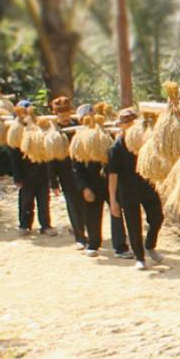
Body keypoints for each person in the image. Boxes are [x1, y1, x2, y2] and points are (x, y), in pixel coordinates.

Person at [106, 108, 165, 271]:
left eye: (132, 122)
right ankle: (140, 257)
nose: (129, 126)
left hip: (147, 186)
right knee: (133, 225)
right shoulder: (116, 148)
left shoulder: (144, 143)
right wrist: (113, 200)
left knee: (157, 217)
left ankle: (150, 245)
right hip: (127, 191)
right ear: (121, 126)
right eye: (125, 123)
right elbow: (112, 175)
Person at [49, 97, 88, 250]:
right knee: (73, 205)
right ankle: (80, 237)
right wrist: (53, 182)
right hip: (65, 174)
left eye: (66, 112)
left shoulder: (78, 128)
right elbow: (50, 160)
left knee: (85, 204)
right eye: (60, 113)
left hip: (82, 172)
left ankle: (84, 230)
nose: (64, 116)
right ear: (56, 114)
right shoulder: (54, 133)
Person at [11, 102, 54, 236]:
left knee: (43, 200)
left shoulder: (39, 129)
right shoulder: (16, 132)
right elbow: (15, 158)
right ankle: (24, 225)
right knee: (26, 201)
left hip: (41, 170)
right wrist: (17, 177)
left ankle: (45, 225)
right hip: (26, 173)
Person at [72, 105, 109, 257]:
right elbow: (76, 167)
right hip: (91, 182)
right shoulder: (78, 140)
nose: (91, 117)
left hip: (109, 181)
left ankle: (121, 246)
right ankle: (93, 243)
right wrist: (85, 187)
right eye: (88, 115)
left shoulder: (106, 134)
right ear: (81, 119)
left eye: (93, 114)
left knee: (116, 213)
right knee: (92, 213)